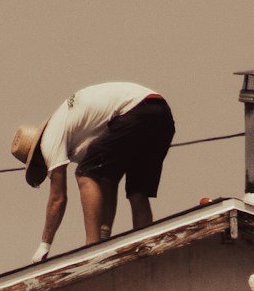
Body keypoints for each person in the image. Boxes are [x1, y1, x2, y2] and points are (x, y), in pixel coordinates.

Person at [11, 82, 176, 260]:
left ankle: (91, 248)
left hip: (134, 110)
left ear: (37, 158)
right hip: (160, 113)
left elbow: (58, 198)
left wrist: (44, 245)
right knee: (138, 193)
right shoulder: (79, 134)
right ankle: (147, 248)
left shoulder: (49, 141)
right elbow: (108, 181)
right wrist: (106, 233)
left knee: (84, 173)